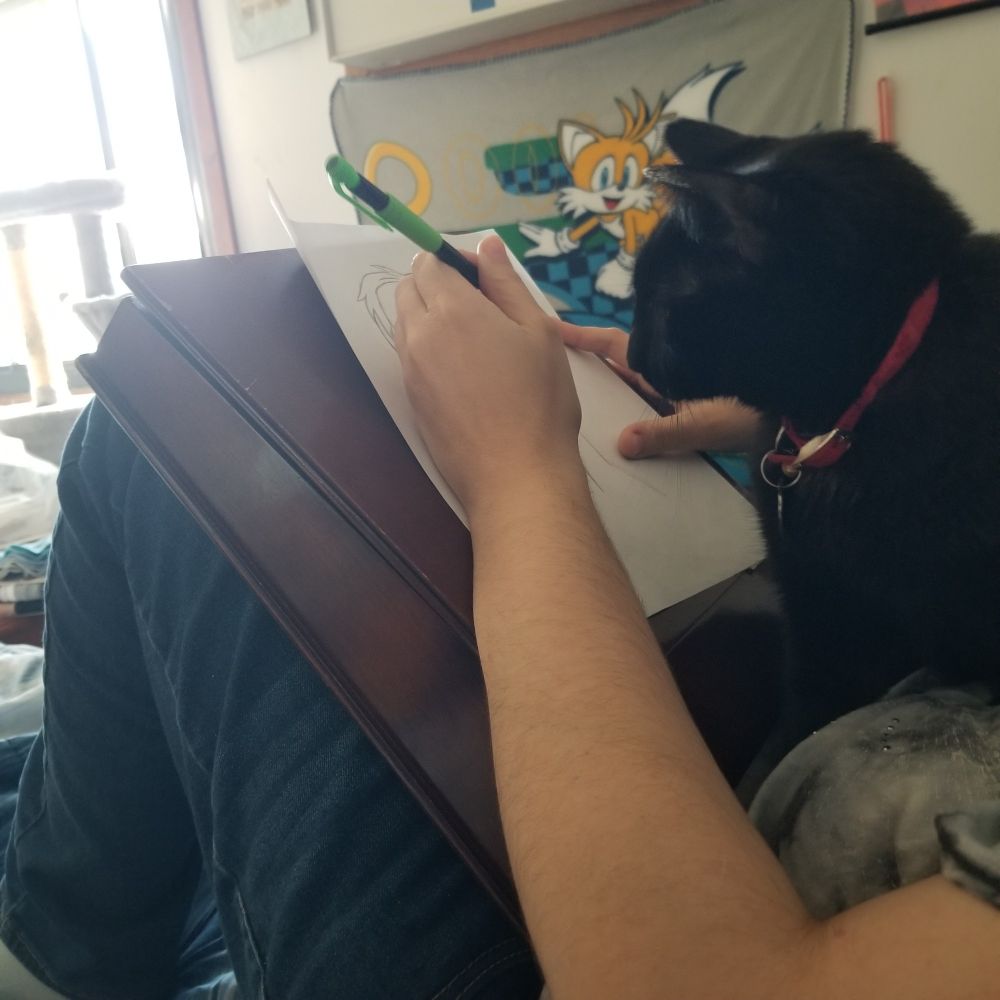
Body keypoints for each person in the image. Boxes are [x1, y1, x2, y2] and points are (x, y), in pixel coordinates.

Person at [1, 236, 998, 999]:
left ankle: (56, 943)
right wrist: (795, 421)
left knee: (144, 432)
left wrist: (525, 476)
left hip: (667, 924)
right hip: (780, 757)